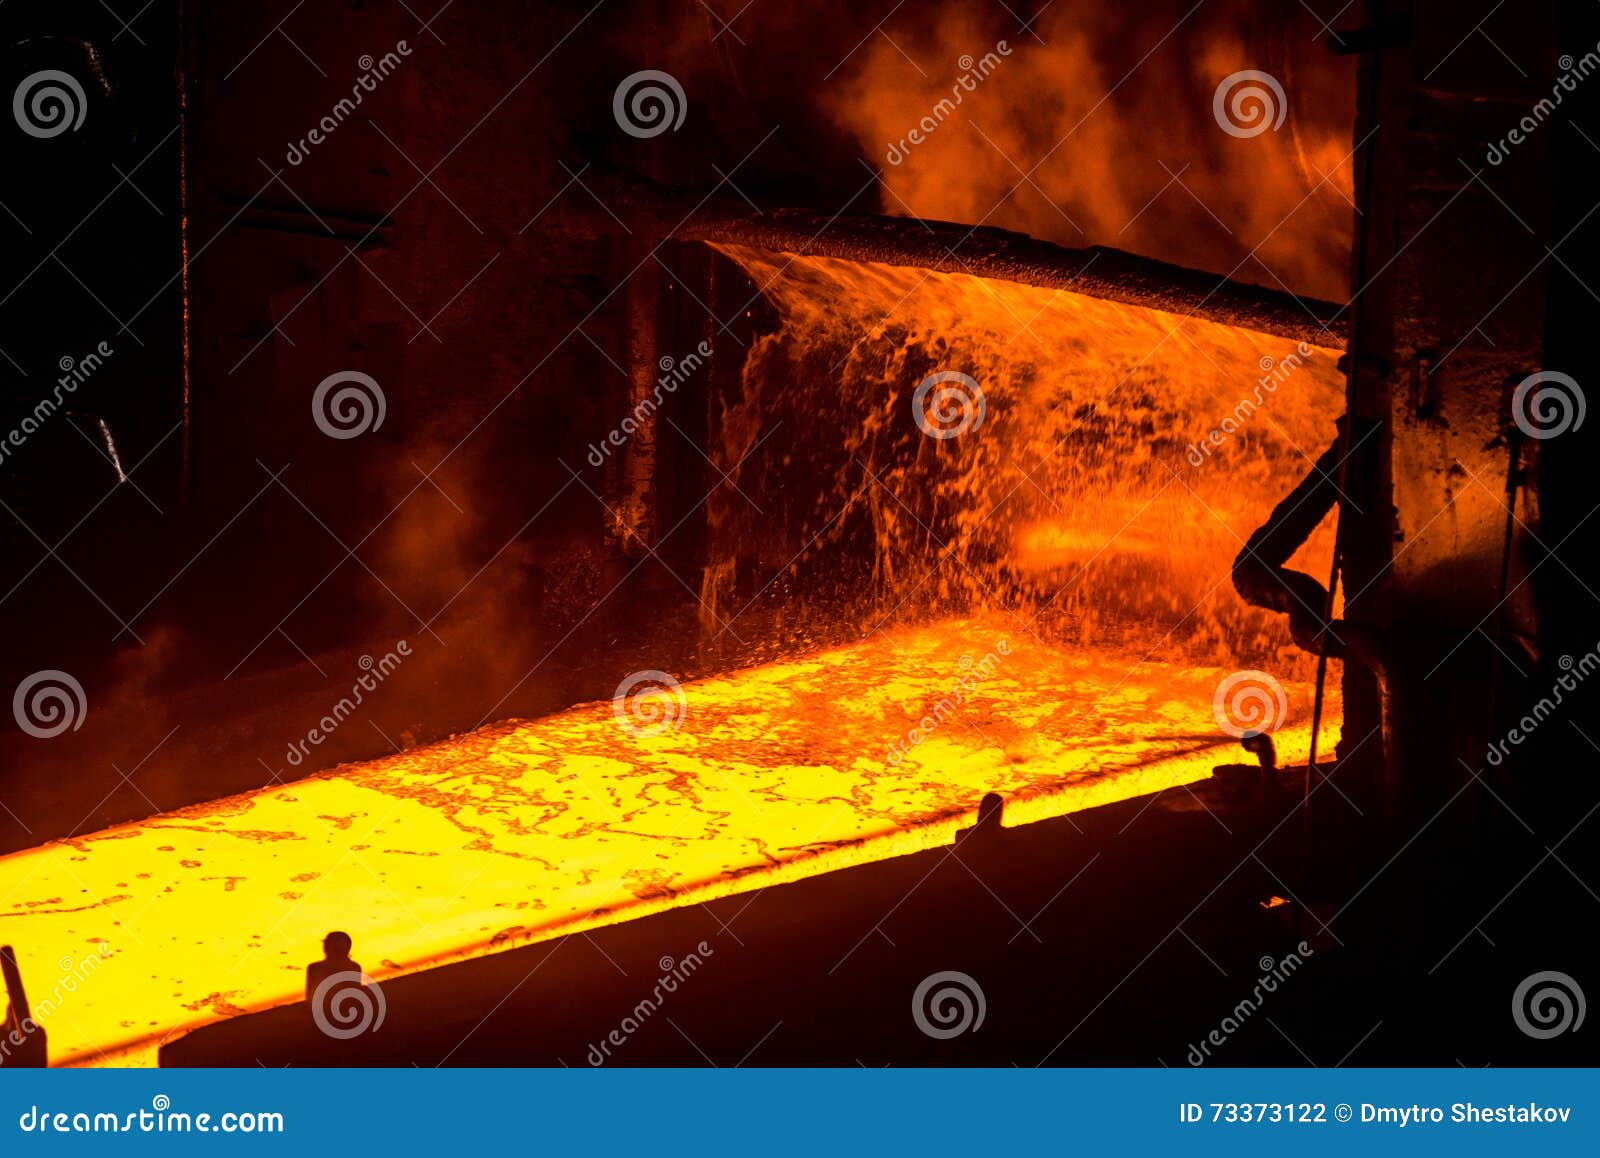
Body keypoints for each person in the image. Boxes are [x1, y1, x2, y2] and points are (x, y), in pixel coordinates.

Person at [305, 931, 362, 1003]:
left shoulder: (315, 968)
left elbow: (310, 999)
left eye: (328, 944)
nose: (325, 947)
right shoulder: (354, 967)